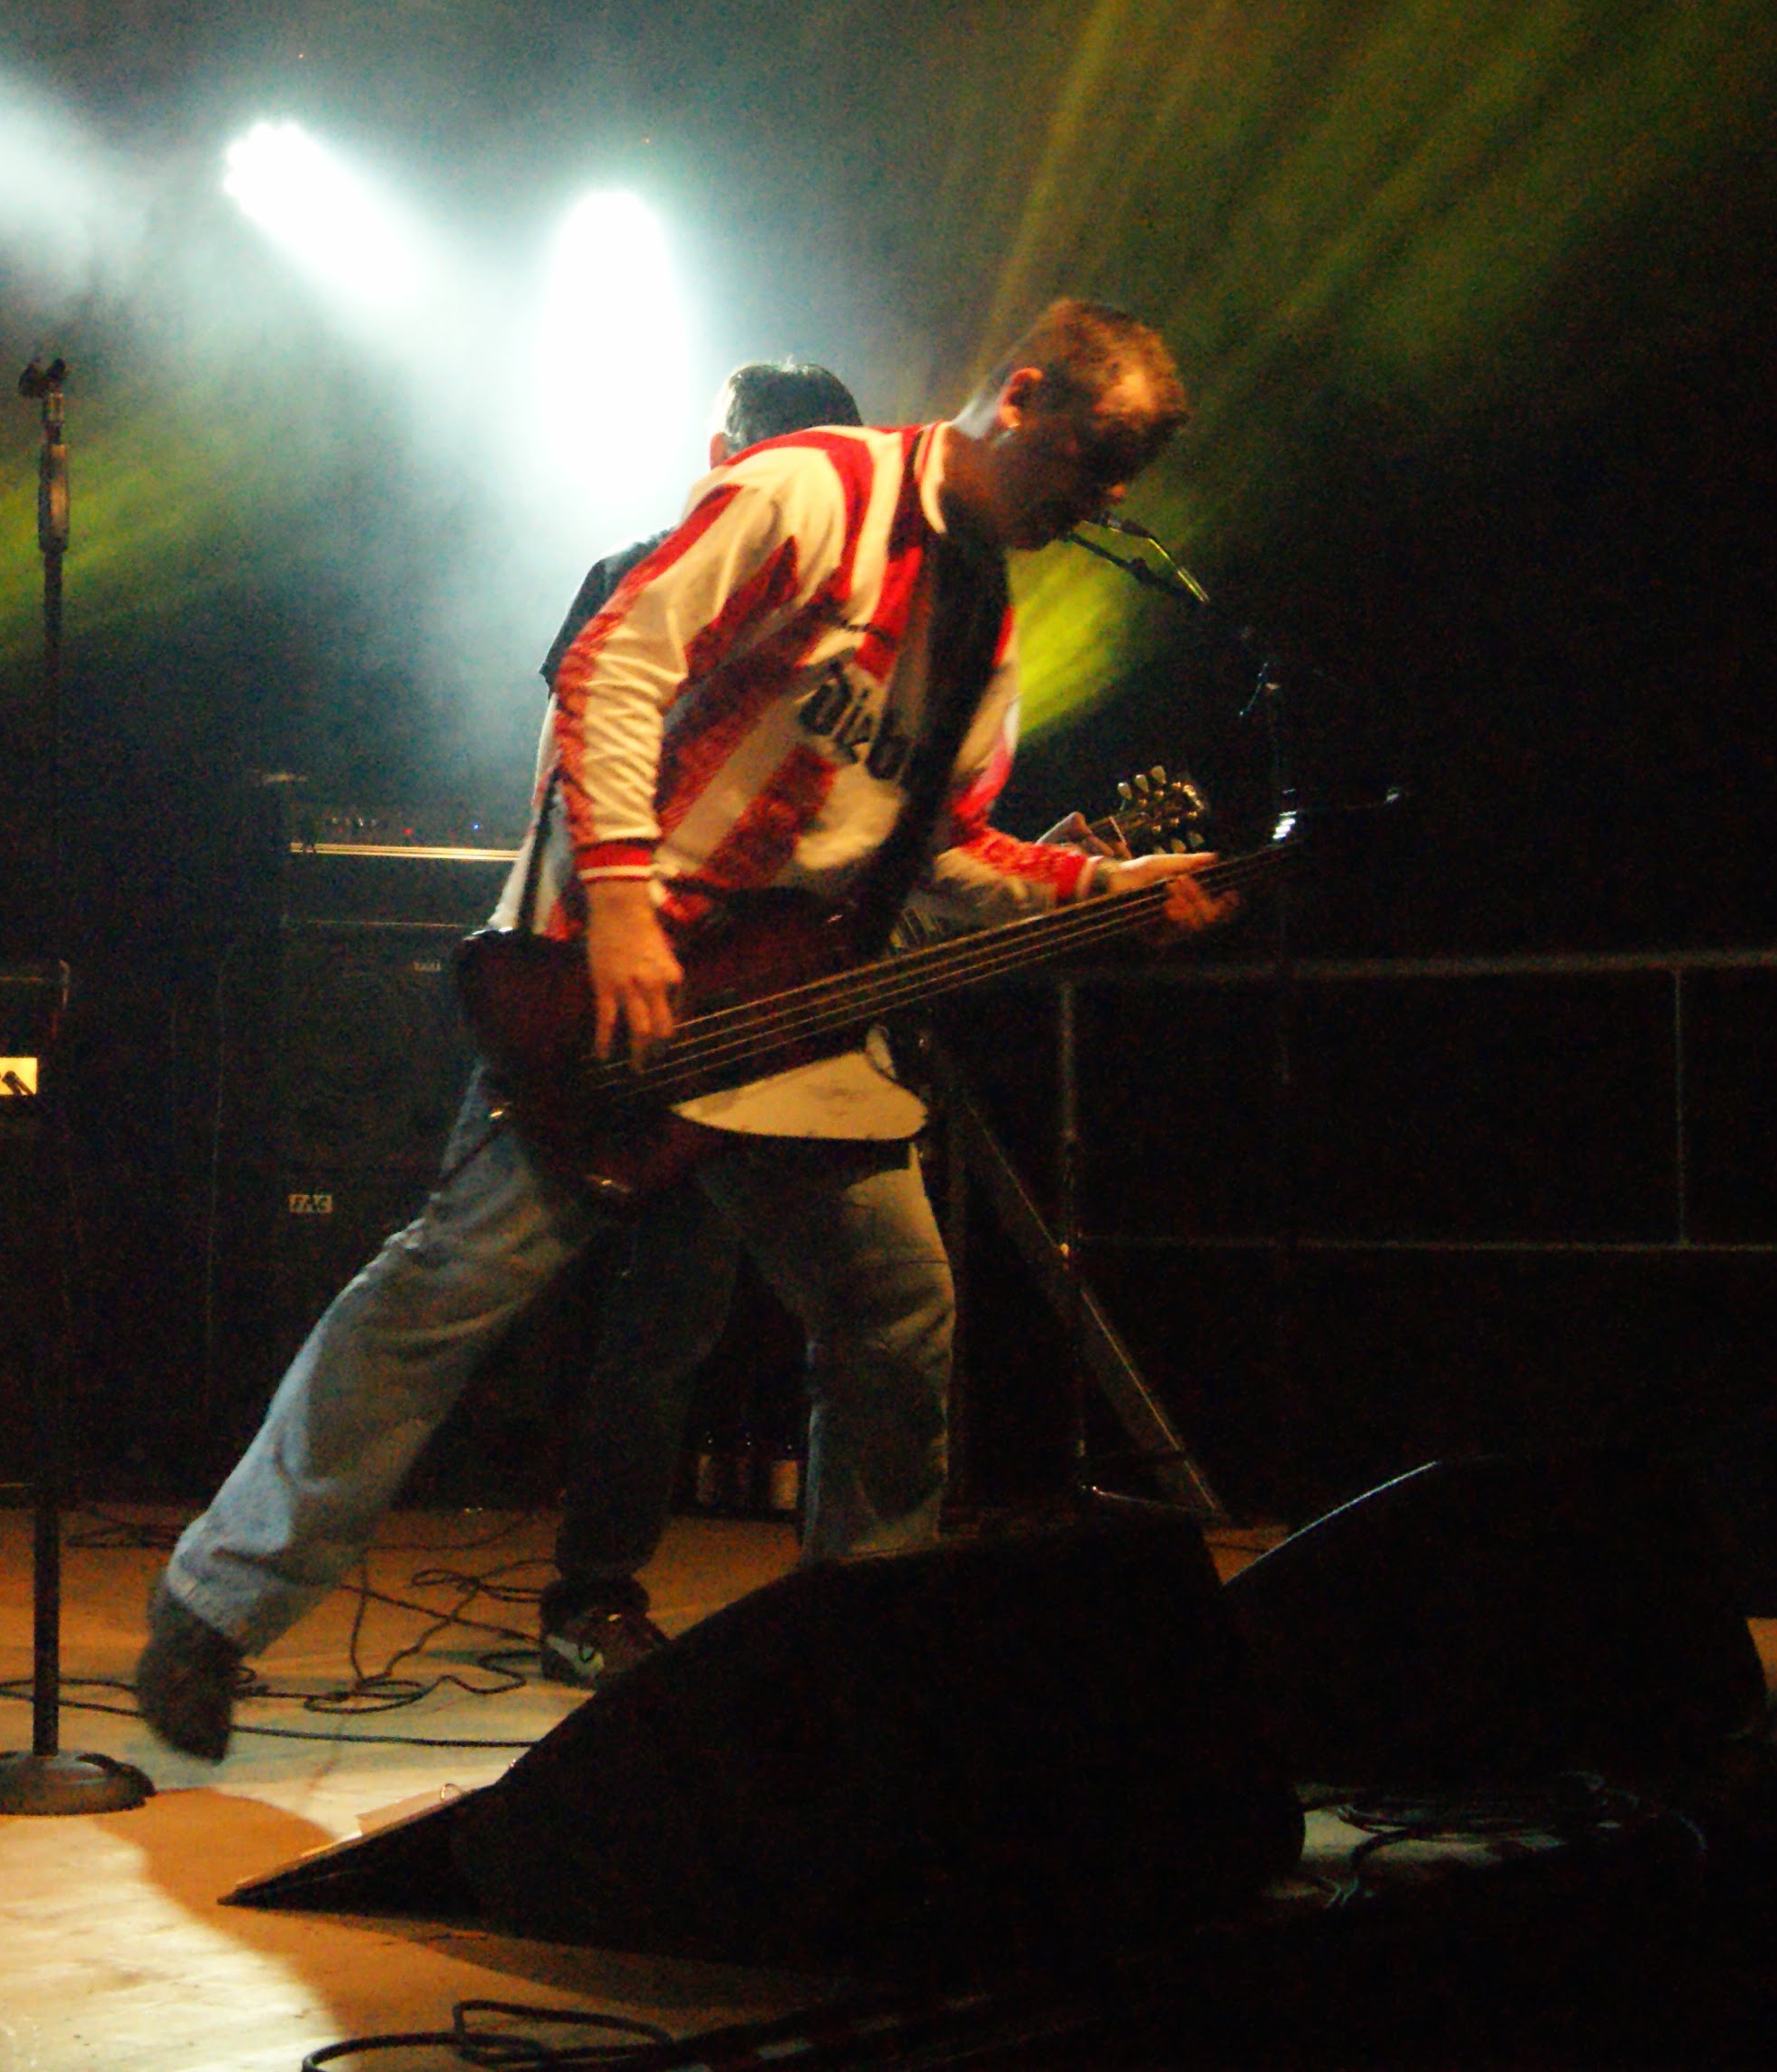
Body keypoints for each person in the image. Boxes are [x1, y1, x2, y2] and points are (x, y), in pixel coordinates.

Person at [133, 302, 1230, 1760]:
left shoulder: (984, 628)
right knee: (441, 1295)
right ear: (1018, 397)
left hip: (789, 1016)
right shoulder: (813, 489)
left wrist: (1101, 887)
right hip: (621, 988)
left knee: (898, 1310)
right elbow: (612, 664)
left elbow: (943, 850)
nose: (1089, 508)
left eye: (1117, 488)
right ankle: (213, 1608)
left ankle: (861, 1661)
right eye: (1084, 467)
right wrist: (620, 899)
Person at [533, 359, 864, 1692]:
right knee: (561, 1294)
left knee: (686, 1309)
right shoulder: (649, 569)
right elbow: (576, 749)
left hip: (736, 1007)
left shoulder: (857, 618)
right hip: (632, 981)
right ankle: (600, 1596)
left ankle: (601, 1597)